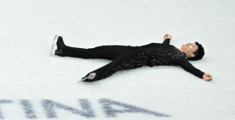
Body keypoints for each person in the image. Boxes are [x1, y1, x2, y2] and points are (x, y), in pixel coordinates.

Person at [52, 34, 212, 82]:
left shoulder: (180, 58)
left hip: (140, 57)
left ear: (191, 55)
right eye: (191, 43)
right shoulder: (172, 49)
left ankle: (93, 76)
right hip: (132, 50)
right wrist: (167, 39)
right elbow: (163, 48)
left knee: (114, 66)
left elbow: (190, 68)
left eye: (192, 47)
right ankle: (63, 50)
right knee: (97, 51)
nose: (189, 44)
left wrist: (201, 74)